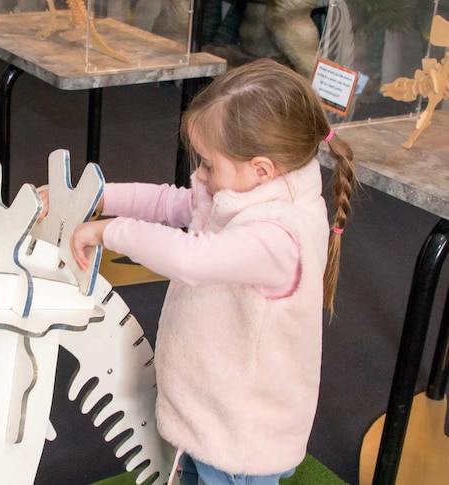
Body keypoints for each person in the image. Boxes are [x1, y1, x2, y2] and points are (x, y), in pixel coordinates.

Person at [67, 58, 356, 484]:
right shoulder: (240, 191)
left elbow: (191, 259)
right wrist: (97, 195)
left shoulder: (279, 237)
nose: (199, 176)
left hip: (239, 441)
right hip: (207, 415)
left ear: (261, 169)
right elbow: (171, 202)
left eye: (208, 164)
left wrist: (110, 231)